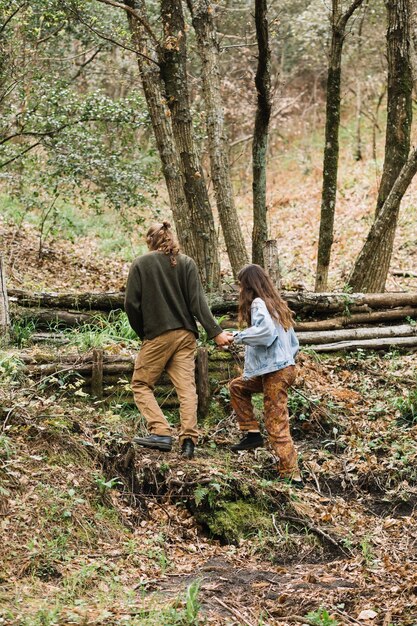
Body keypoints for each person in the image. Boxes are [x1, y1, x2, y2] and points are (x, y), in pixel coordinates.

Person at [124, 221, 232, 459]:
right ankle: (189, 441)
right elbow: (198, 303)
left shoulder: (141, 264)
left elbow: (131, 304)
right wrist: (216, 332)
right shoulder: (187, 263)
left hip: (158, 334)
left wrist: (144, 333)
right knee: (186, 389)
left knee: (141, 384)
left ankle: (161, 431)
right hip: (185, 334)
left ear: (150, 241)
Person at [229, 264, 302, 485]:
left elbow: (266, 333)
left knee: (275, 422)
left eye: (241, 286)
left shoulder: (259, 304)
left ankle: (291, 475)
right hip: (278, 369)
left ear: (249, 285)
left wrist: (237, 336)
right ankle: (252, 434)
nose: (240, 291)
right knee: (237, 387)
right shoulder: (277, 305)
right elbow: (294, 344)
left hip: (276, 372)